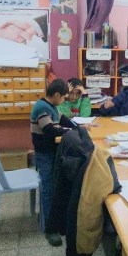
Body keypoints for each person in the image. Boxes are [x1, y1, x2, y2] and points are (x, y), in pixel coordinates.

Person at [31, 78, 76, 246]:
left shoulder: (52, 107)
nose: (64, 99)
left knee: (57, 185)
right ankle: (49, 229)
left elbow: (62, 119)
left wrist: (77, 127)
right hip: (45, 154)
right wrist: (71, 131)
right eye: (63, 97)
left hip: (52, 152)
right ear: (57, 95)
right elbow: (50, 130)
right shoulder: (42, 107)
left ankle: (57, 220)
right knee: (49, 188)